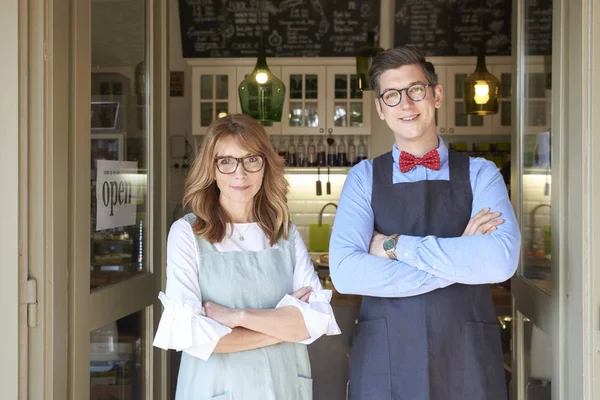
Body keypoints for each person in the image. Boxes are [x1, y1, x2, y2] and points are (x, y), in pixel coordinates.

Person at [329, 46, 521, 400]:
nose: (406, 103)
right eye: (392, 94)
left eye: (416, 90)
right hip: (387, 359)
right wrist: (461, 261)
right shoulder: (362, 178)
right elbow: (345, 273)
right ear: (380, 107)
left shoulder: (482, 173)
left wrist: (394, 246)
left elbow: (500, 261)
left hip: (467, 358)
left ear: (436, 94)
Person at [153, 114, 341, 400]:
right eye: (226, 161)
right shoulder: (187, 234)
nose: (240, 174)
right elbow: (192, 336)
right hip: (215, 387)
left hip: (284, 384)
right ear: (212, 169)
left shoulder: (284, 232)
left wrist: (235, 317)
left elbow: (316, 320)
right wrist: (282, 329)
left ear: (265, 165)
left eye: (251, 159)